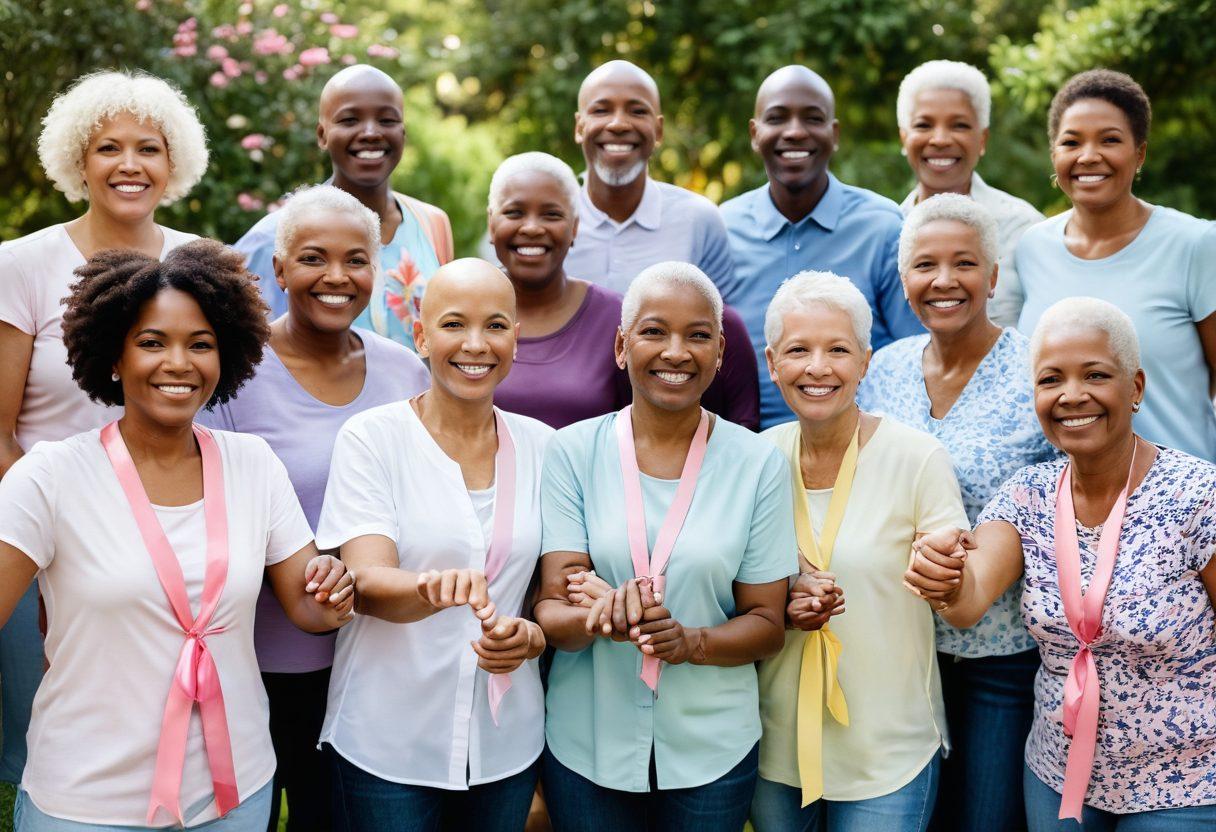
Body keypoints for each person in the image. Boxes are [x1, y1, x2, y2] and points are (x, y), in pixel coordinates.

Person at [0, 240, 354, 830]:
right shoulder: (52, 475)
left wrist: (338, 589)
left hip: (234, 793)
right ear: (113, 355)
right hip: (86, 801)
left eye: (201, 344)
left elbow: (308, 607)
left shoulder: (253, 463)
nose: (178, 362)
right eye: (151, 342)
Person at [906, 297, 1216, 831]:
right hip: (1057, 773)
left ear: (1135, 388)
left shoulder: (1198, 495)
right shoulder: (1027, 496)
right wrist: (945, 576)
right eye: (1051, 380)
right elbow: (969, 599)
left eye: (1095, 374)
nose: (1073, 395)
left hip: (1183, 782)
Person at [198, 186, 429, 831]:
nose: (336, 276)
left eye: (355, 259)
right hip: (258, 658)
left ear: (376, 270)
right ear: (279, 269)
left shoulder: (405, 373)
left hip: (375, 657)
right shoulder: (234, 374)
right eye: (312, 258)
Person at [0, 69, 206, 787]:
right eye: (107, 148)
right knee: (58, 737)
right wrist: (55, 534)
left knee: (167, 730)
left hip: (178, 535)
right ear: (76, 162)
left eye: (147, 148)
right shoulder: (22, 266)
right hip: (49, 542)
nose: (129, 165)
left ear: (172, 160)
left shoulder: (196, 264)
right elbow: (0, 432)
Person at [536, 261, 795, 831]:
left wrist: (691, 641)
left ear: (721, 352)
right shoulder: (571, 453)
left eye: (697, 335)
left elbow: (766, 624)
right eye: (654, 331)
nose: (675, 352)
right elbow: (554, 611)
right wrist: (600, 616)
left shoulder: (758, 466)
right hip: (588, 740)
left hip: (711, 749)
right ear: (622, 346)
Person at [316, 259, 552, 831]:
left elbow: (553, 593)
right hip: (388, 740)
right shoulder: (372, 439)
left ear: (515, 339)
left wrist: (534, 637)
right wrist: (430, 586)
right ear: (420, 335)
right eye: (453, 324)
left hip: (504, 741)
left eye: (495, 326)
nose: (476, 344)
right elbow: (366, 582)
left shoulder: (545, 447)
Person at [858, 194, 1057, 832]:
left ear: (993, 277)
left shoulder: (1039, 370)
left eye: (964, 263)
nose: (944, 281)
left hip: (1000, 658)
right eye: (925, 265)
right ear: (904, 278)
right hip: (894, 651)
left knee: (984, 820)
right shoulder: (880, 371)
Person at [749, 270, 968, 832]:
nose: (818, 367)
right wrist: (783, 596)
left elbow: (957, 584)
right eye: (798, 350)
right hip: (775, 748)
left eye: (838, 349)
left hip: (887, 753)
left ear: (865, 361)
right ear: (772, 363)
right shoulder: (753, 461)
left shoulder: (917, 457)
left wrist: (946, 567)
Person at [1015, 69, 1216, 462]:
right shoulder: (1032, 248)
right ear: (1054, 155)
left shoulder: (1195, 244)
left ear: (1139, 153)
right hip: (1069, 503)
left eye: (1109, 140)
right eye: (1071, 142)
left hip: (1185, 500)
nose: (1089, 156)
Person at [720, 65, 923, 429]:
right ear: (755, 133)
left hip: (858, 451)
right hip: (744, 448)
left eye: (812, 119)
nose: (795, 131)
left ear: (834, 134)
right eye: (777, 118)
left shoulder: (882, 227)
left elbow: (915, 356)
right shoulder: (722, 228)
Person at [562, 61, 761, 429]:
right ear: (579, 126)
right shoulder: (547, 228)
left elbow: (725, 340)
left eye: (636, 110)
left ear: (658, 129)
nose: (618, 123)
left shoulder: (699, 219)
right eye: (601, 109)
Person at [234, 64, 453, 350]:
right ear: (322, 135)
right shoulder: (275, 235)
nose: (371, 133)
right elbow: (244, 349)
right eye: (350, 120)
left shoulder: (431, 224)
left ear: (403, 132)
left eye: (387, 120)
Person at [895, 60, 1043, 328]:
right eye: (924, 125)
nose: (940, 139)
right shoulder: (887, 230)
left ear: (982, 140)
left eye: (959, 125)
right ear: (904, 138)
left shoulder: (1024, 230)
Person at [487, 152, 630, 428]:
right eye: (514, 213)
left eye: (551, 215)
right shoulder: (461, 312)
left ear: (574, 227)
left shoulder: (617, 319)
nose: (531, 228)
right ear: (491, 223)